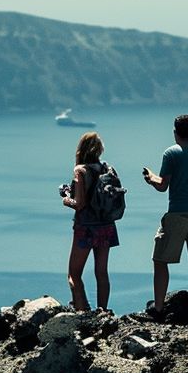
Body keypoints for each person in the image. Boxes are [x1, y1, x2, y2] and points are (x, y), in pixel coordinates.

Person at [141, 114, 188, 319]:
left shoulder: (171, 153)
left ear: (175, 132)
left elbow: (163, 186)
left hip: (178, 214)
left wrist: (150, 178)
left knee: (160, 260)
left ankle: (158, 309)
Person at [61, 131, 117, 311]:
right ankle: (103, 311)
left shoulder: (81, 170)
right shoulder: (107, 169)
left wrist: (66, 199)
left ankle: (82, 309)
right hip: (106, 226)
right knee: (101, 273)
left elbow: (80, 204)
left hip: (86, 228)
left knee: (74, 274)